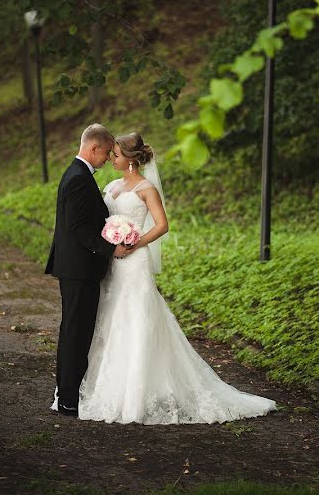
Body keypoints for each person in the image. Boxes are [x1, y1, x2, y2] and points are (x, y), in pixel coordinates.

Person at [77, 131, 277, 424]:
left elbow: (162, 225)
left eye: (116, 155)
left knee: (137, 317)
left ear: (131, 160)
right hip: (114, 263)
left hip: (134, 261)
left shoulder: (146, 189)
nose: (111, 158)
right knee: (111, 317)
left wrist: (134, 242)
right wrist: (110, 243)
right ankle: (111, 388)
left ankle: (137, 395)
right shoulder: (110, 186)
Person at [45, 124, 135, 416]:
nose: (108, 158)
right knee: (76, 332)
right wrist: (111, 249)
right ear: (94, 148)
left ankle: (65, 393)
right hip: (79, 268)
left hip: (76, 267)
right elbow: (78, 228)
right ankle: (69, 398)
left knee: (74, 330)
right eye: (107, 152)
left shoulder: (77, 174)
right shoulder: (79, 179)